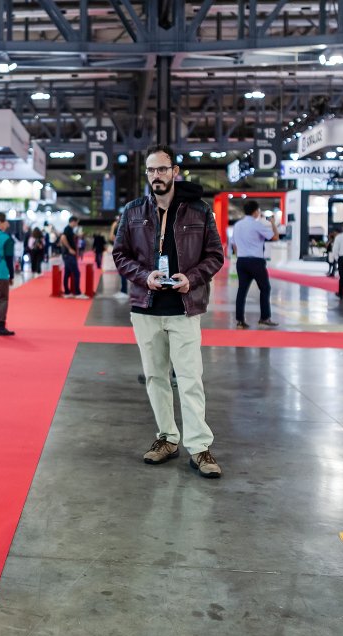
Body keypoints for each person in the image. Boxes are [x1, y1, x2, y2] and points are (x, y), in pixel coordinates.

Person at [112, 144, 224, 477]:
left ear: (175, 171)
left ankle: (200, 447)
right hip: (145, 308)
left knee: (190, 378)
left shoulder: (199, 211)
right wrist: (144, 276)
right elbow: (120, 255)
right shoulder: (133, 211)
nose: (156, 175)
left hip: (184, 308)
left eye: (162, 169)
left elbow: (215, 255)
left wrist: (192, 278)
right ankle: (167, 438)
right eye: (151, 170)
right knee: (155, 377)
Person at [231, 200, 280, 329]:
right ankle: (264, 318)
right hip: (256, 262)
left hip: (241, 261)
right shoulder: (257, 225)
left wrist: (240, 254)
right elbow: (275, 237)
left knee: (242, 291)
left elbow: (234, 244)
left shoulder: (238, 225)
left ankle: (240, 321)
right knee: (265, 288)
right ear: (256, 211)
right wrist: (273, 223)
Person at [59, 216, 85, 298]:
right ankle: (77, 293)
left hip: (68, 255)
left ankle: (67, 292)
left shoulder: (70, 230)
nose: (77, 224)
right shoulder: (68, 229)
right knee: (76, 273)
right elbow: (63, 238)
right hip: (68, 255)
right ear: (73, 221)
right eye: (76, 222)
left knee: (67, 273)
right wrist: (69, 248)